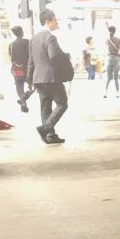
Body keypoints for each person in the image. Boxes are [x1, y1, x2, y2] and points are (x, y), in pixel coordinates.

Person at [27, 10, 70, 145]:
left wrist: (29, 80)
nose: (57, 23)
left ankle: (50, 136)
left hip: (38, 79)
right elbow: (54, 57)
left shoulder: (33, 39)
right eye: (55, 20)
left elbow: (31, 62)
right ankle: (45, 128)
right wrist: (65, 59)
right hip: (51, 78)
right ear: (48, 21)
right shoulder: (50, 37)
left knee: (45, 107)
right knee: (62, 103)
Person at [9, 26, 33, 113]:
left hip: (17, 69)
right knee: (34, 86)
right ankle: (24, 98)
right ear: (22, 32)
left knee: (19, 87)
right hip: (28, 69)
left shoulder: (11, 45)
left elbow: (12, 58)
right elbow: (31, 55)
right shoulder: (28, 42)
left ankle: (23, 101)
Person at [104, 25, 120, 98]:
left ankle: (105, 93)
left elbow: (106, 47)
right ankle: (117, 93)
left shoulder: (107, 40)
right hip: (117, 59)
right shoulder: (119, 40)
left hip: (110, 58)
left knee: (108, 78)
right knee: (116, 78)